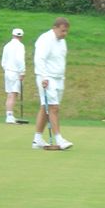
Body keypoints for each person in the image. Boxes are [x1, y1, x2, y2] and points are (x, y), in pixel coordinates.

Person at [32, 18, 73, 150]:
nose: (65, 34)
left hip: (59, 78)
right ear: (55, 28)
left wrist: (62, 76)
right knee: (53, 108)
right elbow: (39, 59)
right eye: (62, 31)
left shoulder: (62, 42)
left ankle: (37, 139)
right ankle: (59, 139)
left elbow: (60, 61)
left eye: (66, 31)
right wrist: (43, 76)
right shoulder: (45, 39)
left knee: (45, 108)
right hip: (47, 78)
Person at [1, 28, 26, 124]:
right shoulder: (20, 46)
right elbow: (20, 59)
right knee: (13, 94)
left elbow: (3, 61)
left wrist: (6, 69)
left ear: (13, 35)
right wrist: (22, 72)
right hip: (15, 72)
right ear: (21, 36)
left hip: (7, 71)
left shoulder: (7, 45)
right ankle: (9, 117)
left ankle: (9, 115)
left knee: (10, 94)